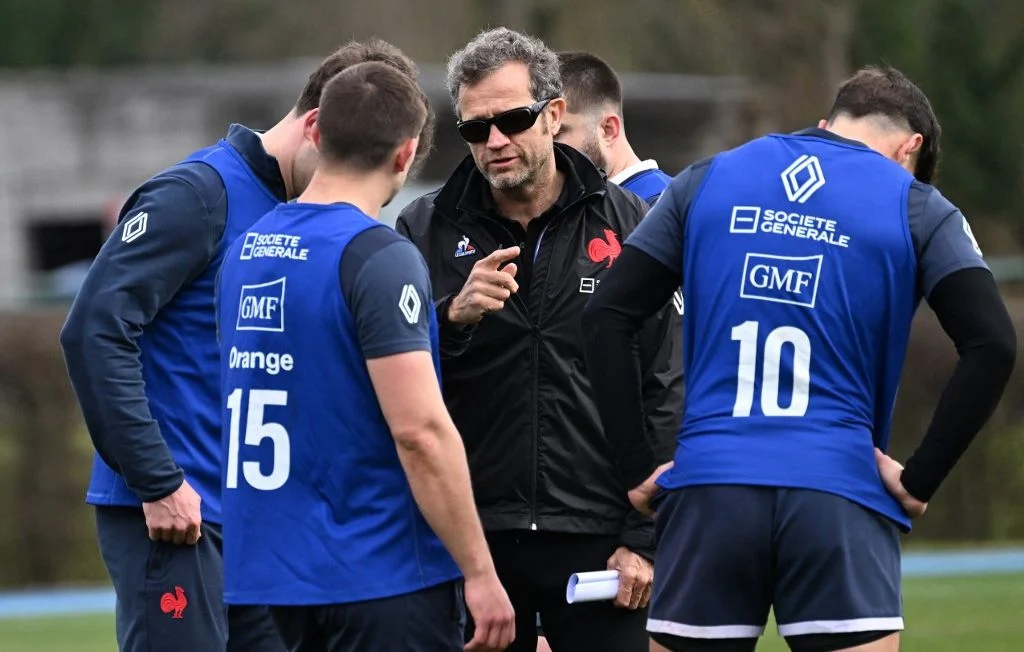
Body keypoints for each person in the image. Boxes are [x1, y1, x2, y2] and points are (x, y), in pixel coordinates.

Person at [581, 65, 1017, 652]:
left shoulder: (708, 178)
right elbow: (992, 344)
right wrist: (921, 478)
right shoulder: (917, 204)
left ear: (827, 125)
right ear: (909, 149)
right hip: (838, 490)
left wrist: (635, 466)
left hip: (711, 488)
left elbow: (605, 317)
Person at [58, 38, 424, 652]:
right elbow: (94, 328)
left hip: (256, 528)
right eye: (344, 160)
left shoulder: (301, 218)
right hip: (174, 518)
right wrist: (157, 481)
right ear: (317, 126)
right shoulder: (199, 194)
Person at [396, 27, 682, 652]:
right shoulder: (423, 229)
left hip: (600, 542)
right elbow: (393, 387)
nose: (495, 141)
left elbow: (666, 386)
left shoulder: (633, 223)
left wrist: (645, 540)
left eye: (513, 120)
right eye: (476, 129)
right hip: (471, 542)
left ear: (553, 115)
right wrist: (451, 318)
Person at [215, 60, 515, 652]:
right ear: (406, 155)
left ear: (316, 131)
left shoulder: (245, 250)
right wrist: (480, 573)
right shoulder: (378, 256)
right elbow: (420, 433)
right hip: (377, 577)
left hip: (265, 581)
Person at [554, 50, 673, 205]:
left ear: (607, 130)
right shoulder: (578, 207)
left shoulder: (666, 206)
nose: (546, 147)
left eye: (557, 133)